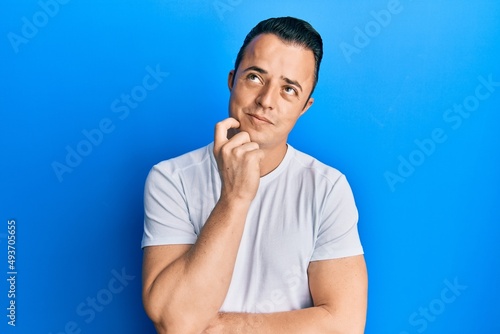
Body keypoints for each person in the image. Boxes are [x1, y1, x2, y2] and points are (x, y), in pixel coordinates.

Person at [141, 16, 367, 334]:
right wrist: (235, 199)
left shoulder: (327, 188)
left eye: (289, 89)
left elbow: (345, 324)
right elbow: (175, 322)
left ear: (304, 106)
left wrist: (235, 326)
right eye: (255, 78)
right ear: (232, 80)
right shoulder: (171, 179)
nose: (266, 101)